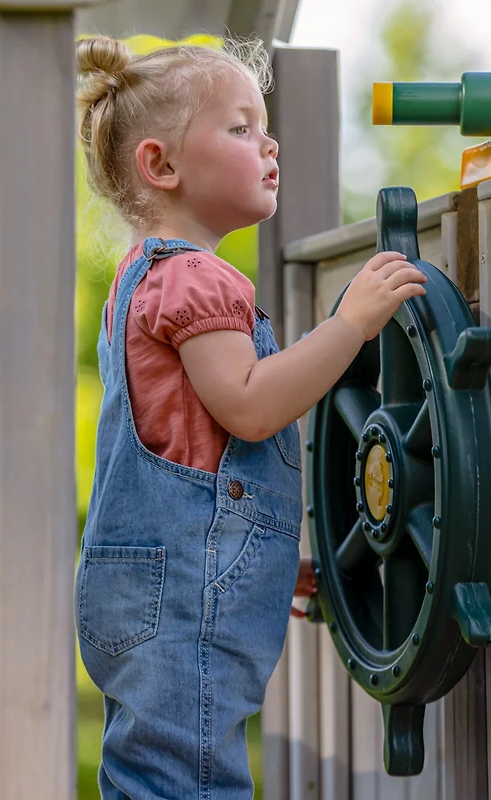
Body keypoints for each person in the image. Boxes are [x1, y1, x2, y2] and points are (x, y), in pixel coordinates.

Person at [74, 34, 426, 799]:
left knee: (156, 774)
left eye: (262, 126)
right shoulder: (201, 280)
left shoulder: (140, 281)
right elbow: (253, 406)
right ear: (161, 165)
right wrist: (350, 325)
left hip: (147, 586)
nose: (267, 143)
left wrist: (271, 563)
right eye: (238, 128)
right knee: (190, 784)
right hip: (180, 600)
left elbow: (194, 452)